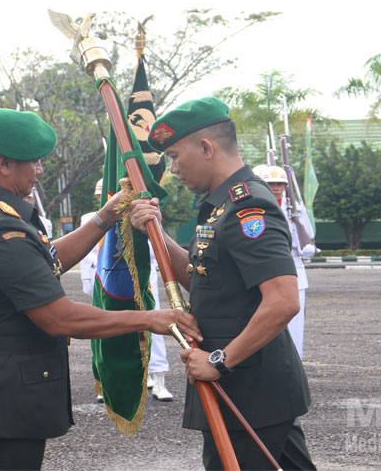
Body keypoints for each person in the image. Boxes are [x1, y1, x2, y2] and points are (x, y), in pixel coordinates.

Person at [0, 108, 200, 471]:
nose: (39, 170)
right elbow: (59, 318)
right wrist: (150, 318)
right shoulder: (0, 227)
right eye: (33, 162)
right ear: (3, 163)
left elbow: (46, 261)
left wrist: (106, 216)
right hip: (8, 400)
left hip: (3, 392)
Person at [131, 97, 315, 470]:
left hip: (248, 388)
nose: (173, 169)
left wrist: (219, 360)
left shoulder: (248, 207)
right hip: (243, 388)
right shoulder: (220, 205)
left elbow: (283, 300)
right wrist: (156, 233)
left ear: (206, 147)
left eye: (175, 157)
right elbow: (202, 279)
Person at [80, 179, 174, 401]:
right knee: (107, 329)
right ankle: (107, 383)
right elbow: (88, 255)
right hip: (108, 278)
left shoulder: (142, 213)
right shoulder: (92, 218)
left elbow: (154, 251)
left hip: (142, 276)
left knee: (153, 326)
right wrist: (88, 281)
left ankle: (158, 379)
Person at [258, 165, 316, 359]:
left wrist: (306, 244)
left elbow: (308, 235)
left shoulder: (295, 208)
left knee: (295, 324)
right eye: (271, 184)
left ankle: (295, 361)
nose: (276, 188)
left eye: (280, 184)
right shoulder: (256, 207)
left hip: (294, 267)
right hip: (266, 268)